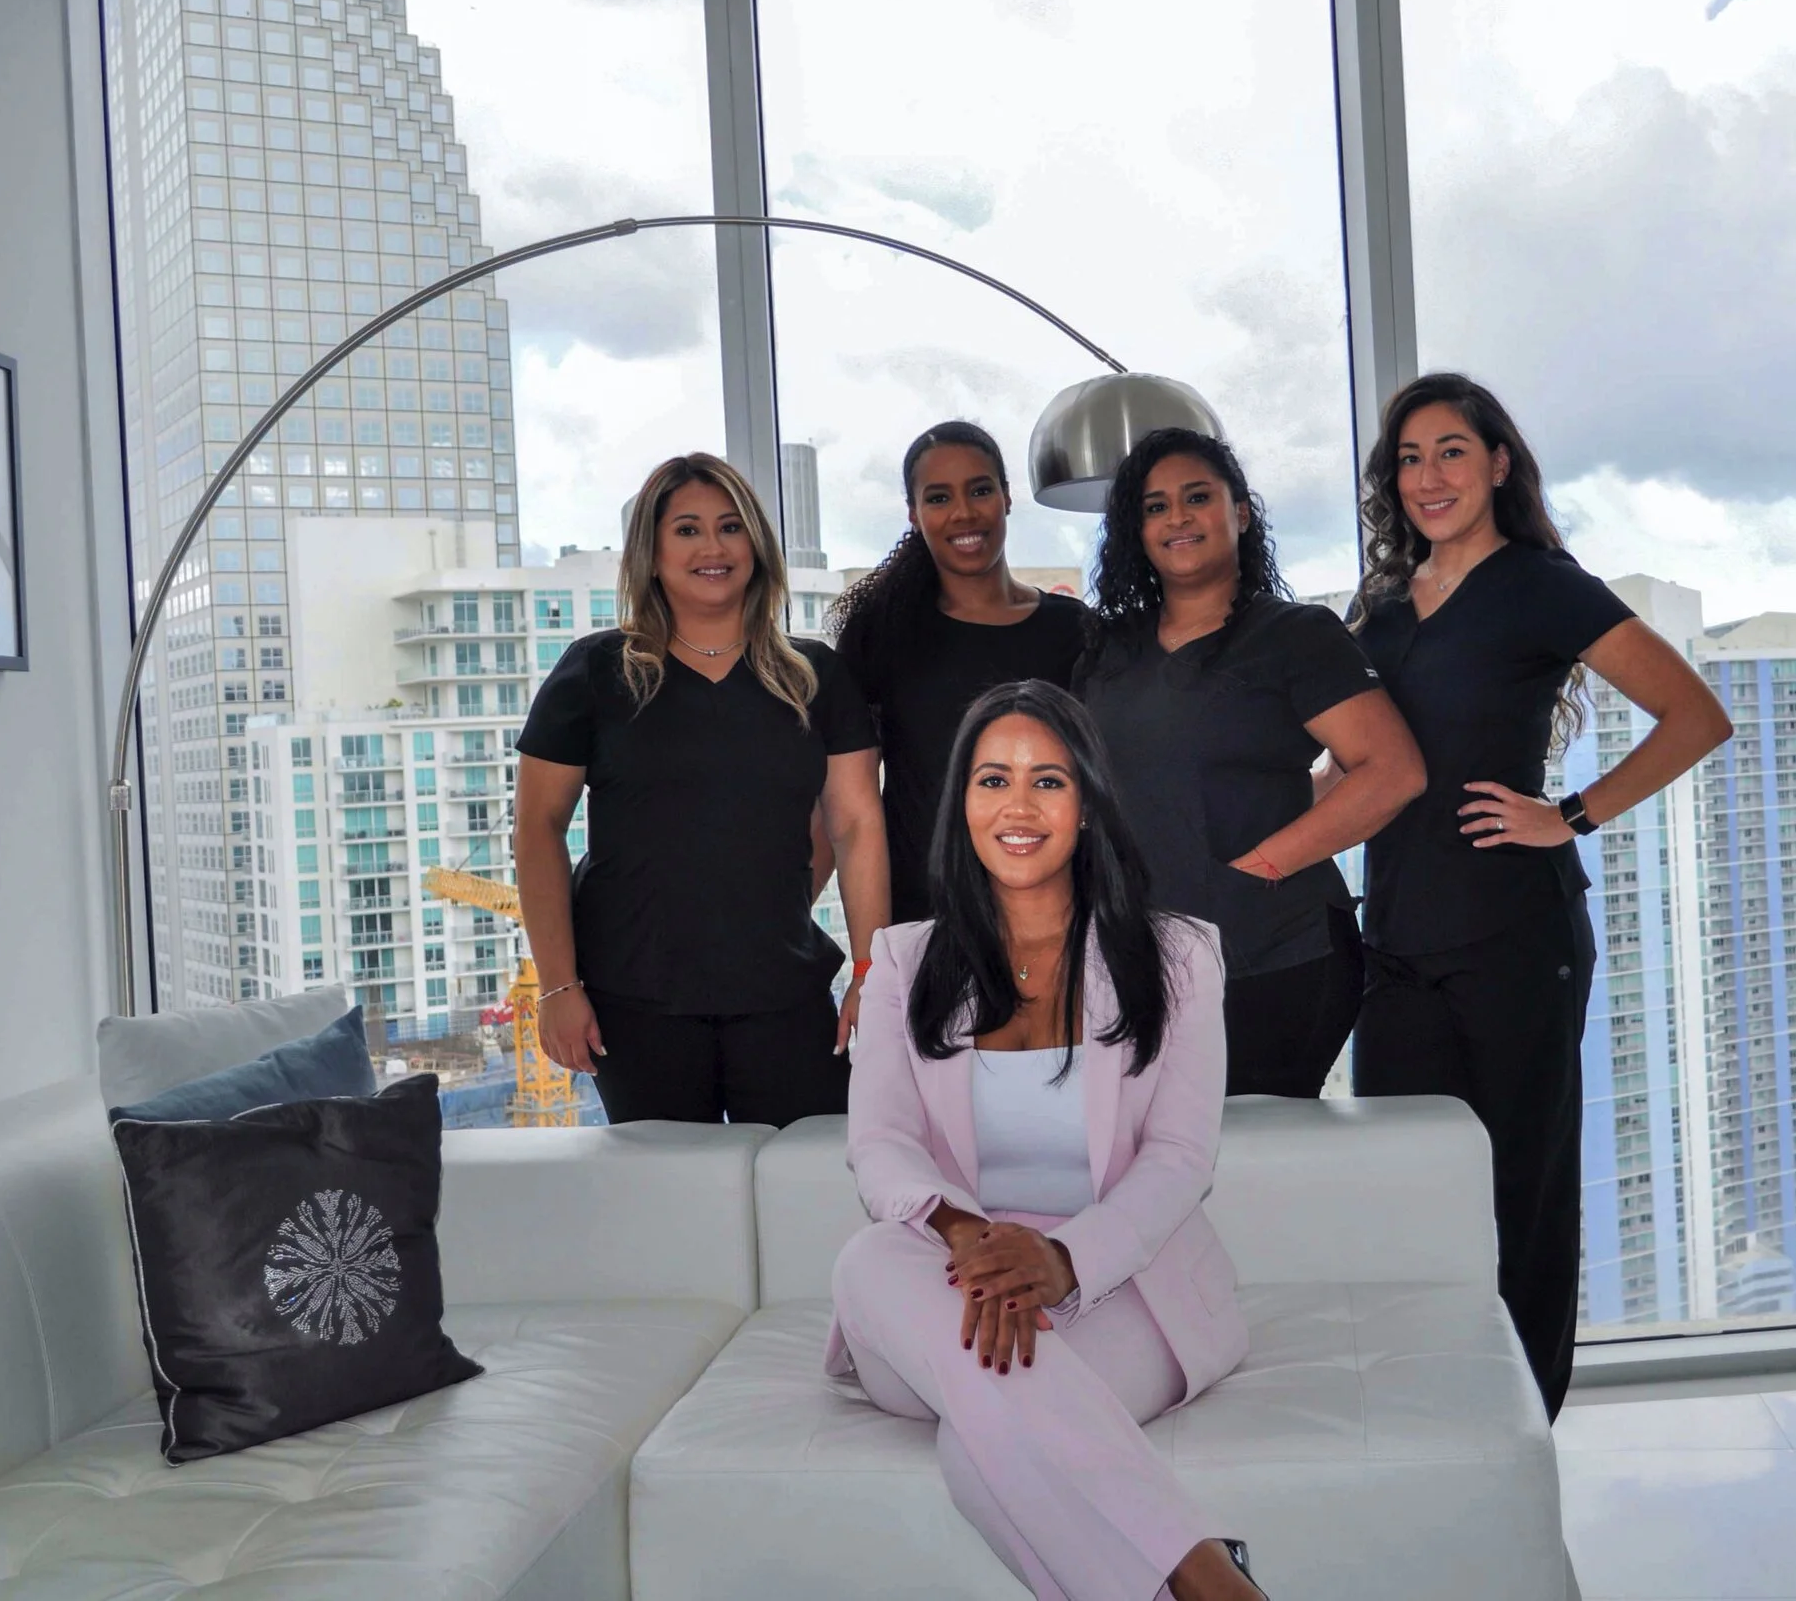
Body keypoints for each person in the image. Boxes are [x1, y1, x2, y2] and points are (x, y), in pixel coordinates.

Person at [1347, 373, 1732, 1418]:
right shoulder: (1380, 608)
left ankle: (1523, 1418)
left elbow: (1695, 717)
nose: (1428, 476)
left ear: (1498, 464)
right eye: (1410, 458)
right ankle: (1432, 1405)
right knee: (1408, 1187)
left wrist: (1568, 813)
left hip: (1514, 934)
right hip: (1394, 939)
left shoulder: (1542, 586)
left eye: (1451, 452)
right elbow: (1356, 765)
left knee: (1519, 1185)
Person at [833, 680, 1268, 1601]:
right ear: (962, 805)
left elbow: (1180, 1159)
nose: (1018, 808)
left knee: (984, 1444)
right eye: (993, 781)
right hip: (951, 1273)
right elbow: (879, 1144)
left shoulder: (1180, 955)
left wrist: (1065, 1258)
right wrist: (968, 1238)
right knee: (871, 1258)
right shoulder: (904, 961)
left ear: (1089, 804)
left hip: (1123, 1283)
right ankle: (1211, 1581)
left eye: (1049, 782)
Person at [513, 451, 891, 1127]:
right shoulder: (595, 673)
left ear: (757, 545)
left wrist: (872, 974)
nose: (712, 547)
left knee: (804, 1196)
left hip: (783, 993)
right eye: (687, 530)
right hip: (631, 1003)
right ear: (652, 553)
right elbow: (538, 828)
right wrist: (558, 987)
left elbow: (856, 825)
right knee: (671, 1211)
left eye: (730, 527)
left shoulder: (817, 677)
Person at [1076, 428, 1424, 1098]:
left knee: (1255, 1175)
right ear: (1134, 532)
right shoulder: (1105, 648)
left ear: (1240, 512)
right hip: (1138, 966)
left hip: (1275, 956)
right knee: (1156, 1174)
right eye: (1154, 506)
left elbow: (1393, 771)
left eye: (1197, 497)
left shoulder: (1294, 636)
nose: (1177, 517)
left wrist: (1258, 871)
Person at [833, 421, 1090, 925]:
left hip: (1056, 920)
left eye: (979, 490)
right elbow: (849, 812)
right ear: (914, 513)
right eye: (938, 498)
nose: (964, 513)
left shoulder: (1075, 630)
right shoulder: (880, 633)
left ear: (1007, 498)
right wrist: (868, 959)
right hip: (923, 921)